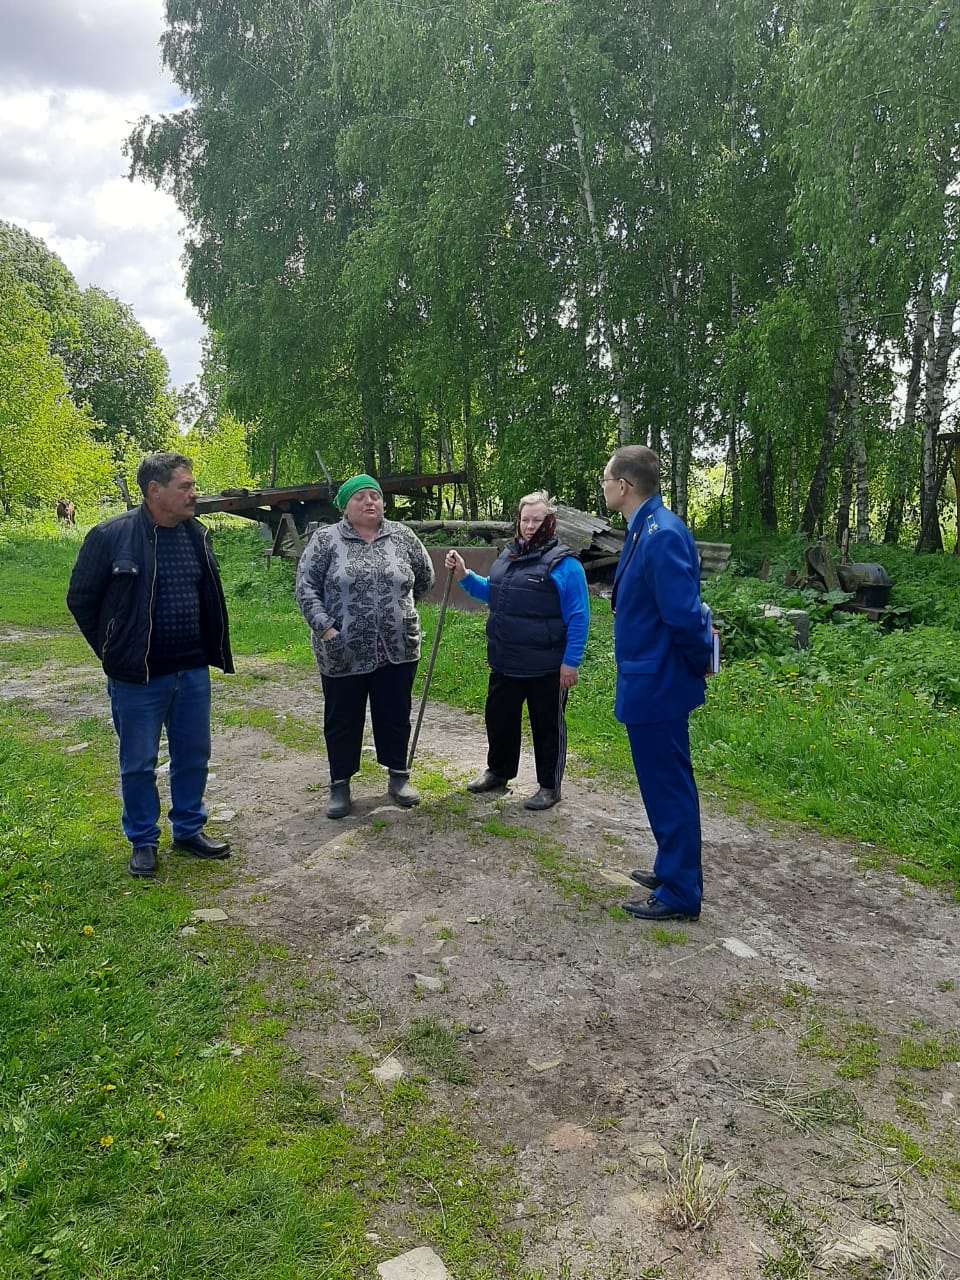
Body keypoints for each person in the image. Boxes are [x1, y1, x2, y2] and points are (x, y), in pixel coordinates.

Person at [66, 452, 234, 879]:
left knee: (193, 755)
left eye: (193, 486)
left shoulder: (197, 534)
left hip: (192, 671)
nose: (194, 494)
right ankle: (143, 840)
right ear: (154, 491)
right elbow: (81, 599)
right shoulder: (110, 536)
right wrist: (112, 650)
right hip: (138, 677)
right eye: (186, 487)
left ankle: (188, 829)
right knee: (138, 762)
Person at [602, 445, 712, 921]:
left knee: (668, 787)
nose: (604, 487)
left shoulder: (660, 533)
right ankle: (672, 870)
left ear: (623, 485)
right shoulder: (645, 527)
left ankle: (681, 893)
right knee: (662, 784)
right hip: (649, 678)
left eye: (607, 479)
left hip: (659, 682)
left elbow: (684, 616)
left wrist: (698, 664)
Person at [295, 473, 435, 819]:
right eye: (360, 497)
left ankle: (398, 777)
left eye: (375, 496)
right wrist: (327, 630)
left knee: (394, 714)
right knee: (342, 718)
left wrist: (399, 613)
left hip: (397, 646)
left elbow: (425, 578)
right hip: (342, 649)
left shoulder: (402, 536)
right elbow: (305, 588)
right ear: (345, 507)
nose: (370, 502)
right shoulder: (326, 540)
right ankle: (340, 785)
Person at [444, 491, 589, 811]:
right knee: (499, 720)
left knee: (548, 728)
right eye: (525, 519)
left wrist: (571, 661)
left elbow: (579, 616)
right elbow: (492, 592)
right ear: (518, 521)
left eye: (537, 520)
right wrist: (465, 575)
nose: (530, 525)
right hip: (506, 660)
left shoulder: (565, 564)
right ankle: (498, 772)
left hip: (546, 666)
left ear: (549, 522)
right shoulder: (508, 556)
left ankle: (550, 786)